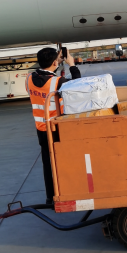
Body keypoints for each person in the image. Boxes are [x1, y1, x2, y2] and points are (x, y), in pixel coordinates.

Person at [26, 48, 81, 205]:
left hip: (41, 128)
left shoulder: (29, 78)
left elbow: (41, 82)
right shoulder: (58, 82)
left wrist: (55, 64)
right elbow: (78, 85)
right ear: (55, 63)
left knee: (47, 163)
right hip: (56, 128)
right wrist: (71, 64)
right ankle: (68, 191)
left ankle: (51, 197)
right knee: (64, 160)